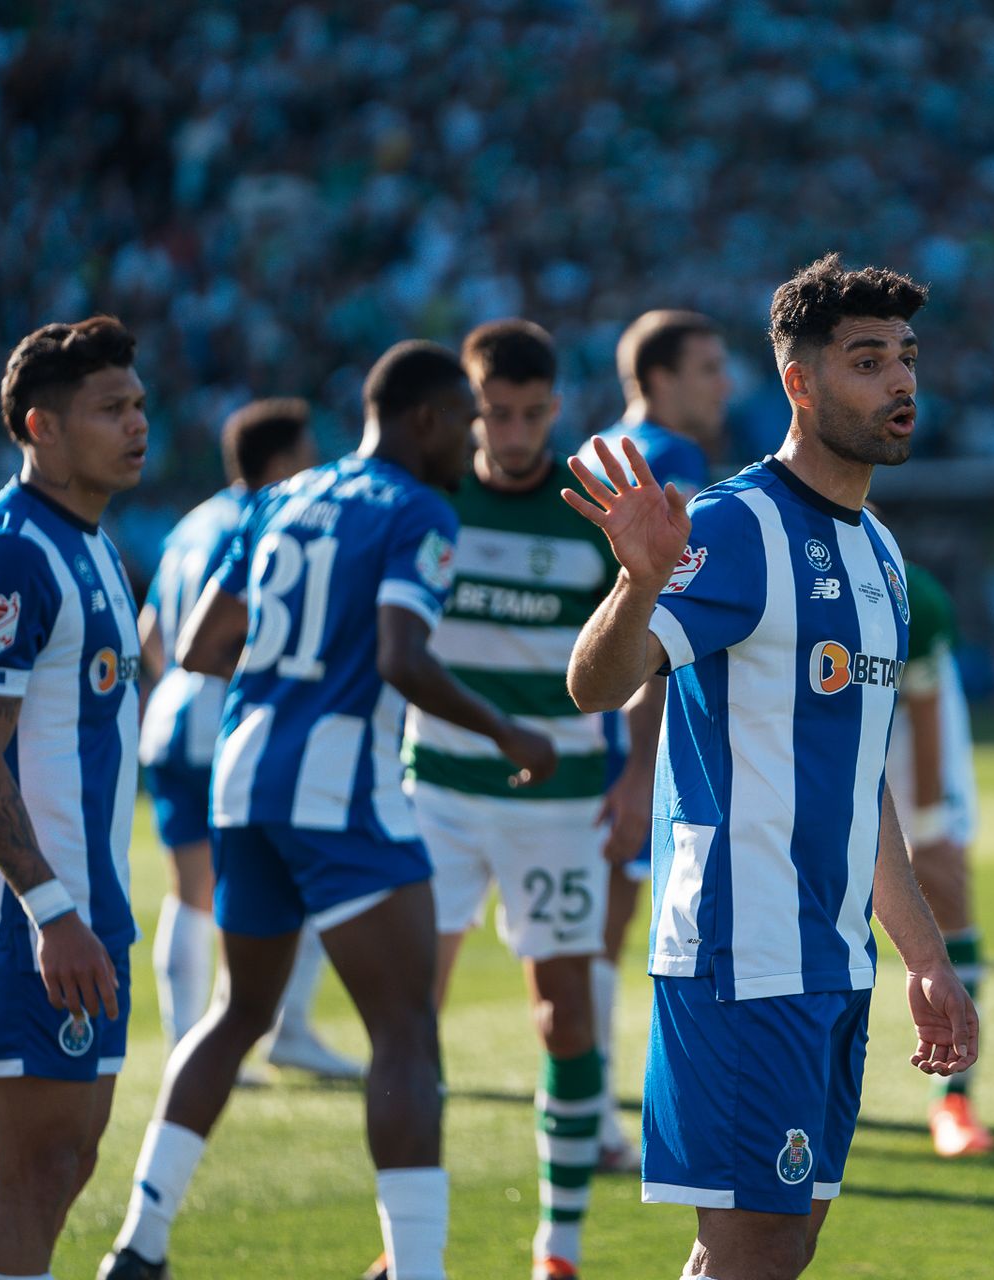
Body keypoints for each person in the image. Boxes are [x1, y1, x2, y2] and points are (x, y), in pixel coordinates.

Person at [99, 342, 557, 1280]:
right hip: (339, 788)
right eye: (464, 422)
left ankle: (140, 1244)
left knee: (236, 1015)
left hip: (243, 779)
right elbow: (400, 657)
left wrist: (289, 678)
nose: (471, 440)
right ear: (426, 419)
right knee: (403, 1031)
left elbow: (198, 643)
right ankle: (419, 1270)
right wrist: (511, 733)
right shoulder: (418, 507)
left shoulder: (283, 495)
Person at [562, 254, 978, 1280]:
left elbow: (856, 781)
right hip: (739, 959)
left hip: (834, 961)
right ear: (799, 381)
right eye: (869, 360)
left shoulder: (881, 552)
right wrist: (637, 584)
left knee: (776, 1250)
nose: (900, 384)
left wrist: (925, 952)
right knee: (754, 1252)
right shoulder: (739, 526)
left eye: (907, 358)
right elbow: (593, 681)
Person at [395, 319, 620, 1280]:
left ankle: (558, 1248)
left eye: (532, 414)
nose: (514, 432)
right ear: (466, 406)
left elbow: (646, 654)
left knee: (565, 1017)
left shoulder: (591, 508)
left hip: (562, 800)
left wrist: (641, 773)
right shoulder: (429, 494)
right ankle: (408, 1237)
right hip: (438, 791)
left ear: (556, 408)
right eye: (496, 412)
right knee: (409, 1014)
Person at [0, 316, 147, 1280]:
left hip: (90, 906)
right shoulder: (8, 555)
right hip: (29, 918)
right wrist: (49, 909)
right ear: (41, 426)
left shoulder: (94, 546)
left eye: (138, 404)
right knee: (31, 1174)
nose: (135, 424)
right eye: (110, 408)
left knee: (69, 1161)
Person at [138, 398, 359, 1078]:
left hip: (171, 715)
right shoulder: (272, 519)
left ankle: (190, 1041)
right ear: (285, 460)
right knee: (314, 864)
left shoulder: (192, 520)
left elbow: (153, 632)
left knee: (188, 890)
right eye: (308, 450)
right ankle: (282, 1027)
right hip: (236, 719)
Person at [587, 308, 731, 1170]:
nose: (724, 384)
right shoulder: (669, 464)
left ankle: (586, 1099)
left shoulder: (600, 447)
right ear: (661, 378)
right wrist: (641, 769)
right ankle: (595, 1110)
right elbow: (659, 628)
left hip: (568, 709)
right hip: (617, 728)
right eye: (709, 368)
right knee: (610, 925)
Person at [884, 559, 994, 1158]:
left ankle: (954, 1096)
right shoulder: (773, 568)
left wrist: (925, 832)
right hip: (818, 722)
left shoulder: (913, 596)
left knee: (942, 880)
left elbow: (923, 709)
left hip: (903, 722)